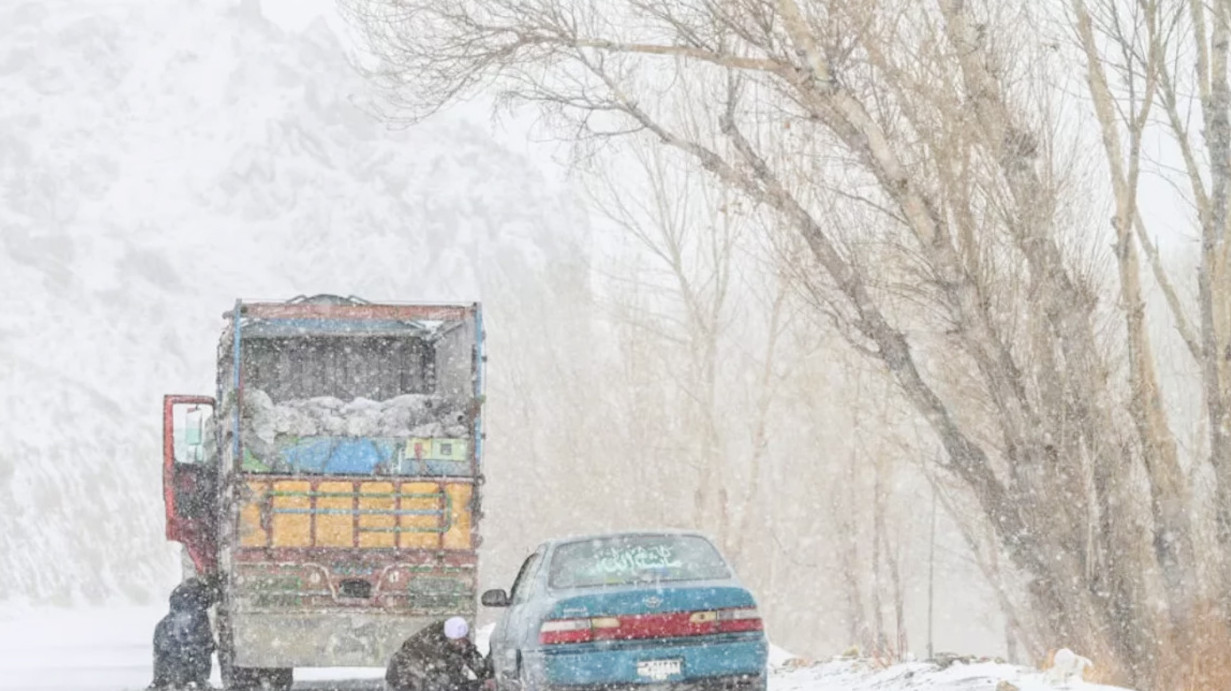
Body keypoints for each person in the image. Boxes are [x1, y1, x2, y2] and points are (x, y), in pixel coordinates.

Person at [386, 616, 494, 691]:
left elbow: (472, 657)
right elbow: (451, 684)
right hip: (403, 677)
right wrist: (480, 686)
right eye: (457, 641)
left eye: (463, 641)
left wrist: (489, 676)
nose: (461, 645)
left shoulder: (457, 636)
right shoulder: (433, 647)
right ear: (448, 639)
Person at [147, 577, 217, 690]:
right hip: (182, 678)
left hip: (168, 679)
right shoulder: (199, 623)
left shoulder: (163, 625)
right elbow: (202, 650)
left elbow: (160, 662)